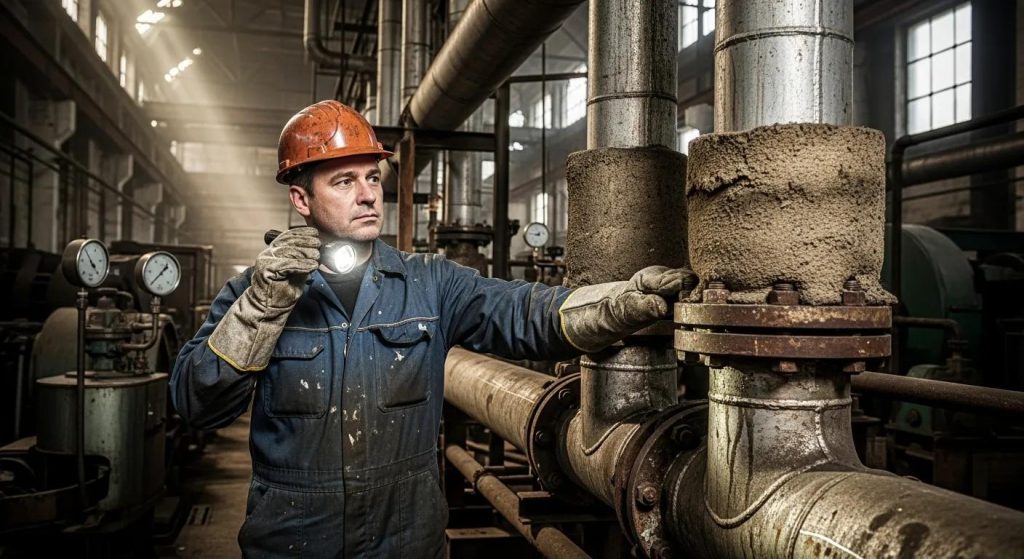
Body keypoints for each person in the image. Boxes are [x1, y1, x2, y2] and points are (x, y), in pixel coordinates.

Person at [170, 100, 691, 558]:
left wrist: (620, 302)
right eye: (344, 181)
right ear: (301, 200)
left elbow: (527, 311)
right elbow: (197, 403)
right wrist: (263, 306)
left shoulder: (429, 283)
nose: (368, 195)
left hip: (406, 541)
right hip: (293, 543)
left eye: (372, 177)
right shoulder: (253, 293)